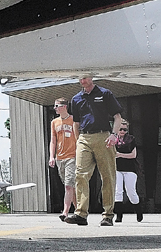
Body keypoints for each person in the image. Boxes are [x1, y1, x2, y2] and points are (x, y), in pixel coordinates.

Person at [65, 76, 124, 227]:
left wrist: (114, 135)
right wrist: (78, 141)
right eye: (80, 78)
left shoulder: (105, 94)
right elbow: (76, 123)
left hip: (103, 136)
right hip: (84, 138)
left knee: (108, 175)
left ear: (91, 77)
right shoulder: (76, 99)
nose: (82, 81)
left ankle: (108, 215)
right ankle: (81, 214)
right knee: (80, 175)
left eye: (85, 77)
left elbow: (118, 117)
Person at [48, 97, 77, 221]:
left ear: (64, 106)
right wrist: (52, 156)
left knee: (68, 186)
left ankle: (65, 212)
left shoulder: (73, 120)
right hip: (60, 157)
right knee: (69, 185)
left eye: (57, 106)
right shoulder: (54, 122)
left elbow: (78, 137)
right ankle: (79, 210)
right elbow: (53, 141)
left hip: (72, 156)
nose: (55, 108)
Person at [113, 120, 142, 223]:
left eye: (125, 129)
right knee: (118, 191)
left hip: (130, 169)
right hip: (116, 168)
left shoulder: (131, 139)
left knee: (131, 191)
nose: (122, 131)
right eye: (120, 129)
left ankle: (138, 211)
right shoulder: (112, 139)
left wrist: (120, 155)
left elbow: (133, 155)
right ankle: (119, 216)